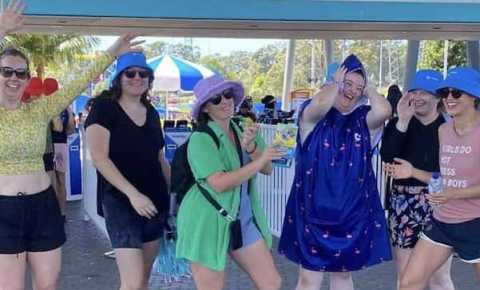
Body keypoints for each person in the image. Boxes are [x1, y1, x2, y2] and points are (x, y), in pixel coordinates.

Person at [0, 2, 142, 289]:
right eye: (6, 71)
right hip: (4, 211)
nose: (14, 78)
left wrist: (113, 51)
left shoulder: (39, 110)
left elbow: (78, 82)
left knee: (48, 285)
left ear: (28, 78)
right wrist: (2, 28)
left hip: (43, 205)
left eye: (21, 73)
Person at [278, 54, 393, 290]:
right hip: (312, 214)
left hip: (351, 215)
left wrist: (368, 88)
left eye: (357, 88)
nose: (352, 91)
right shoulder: (311, 117)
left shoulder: (363, 120)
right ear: (331, 83)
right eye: (347, 84)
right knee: (309, 279)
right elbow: (320, 104)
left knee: (342, 277)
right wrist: (334, 84)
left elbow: (384, 112)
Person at [175, 75, 283, 290]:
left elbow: (267, 169)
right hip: (205, 220)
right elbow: (219, 183)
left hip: (242, 218)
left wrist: (252, 148)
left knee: (271, 283)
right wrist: (260, 159)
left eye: (227, 95)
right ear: (205, 108)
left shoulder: (244, 127)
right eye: (215, 99)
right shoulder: (200, 138)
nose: (224, 101)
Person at [386, 67, 480, 290]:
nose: (448, 98)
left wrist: (452, 194)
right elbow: (443, 178)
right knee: (408, 283)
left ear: (474, 97)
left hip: (475, 221)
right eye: (445, 92)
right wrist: (412, 172)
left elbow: (451, 189)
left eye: (456, 93)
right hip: (442, 220)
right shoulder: (445, 131)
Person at [85, 51, 171, 290]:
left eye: (143, 74)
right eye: (130, 73)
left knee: (143, 279)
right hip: (120, 202)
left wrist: (175, 193)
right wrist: (133, 195)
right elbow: (100, 159)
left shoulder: (152, 113)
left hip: (155, 203)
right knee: (131, 283)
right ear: (119, 78)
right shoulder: (104, 108)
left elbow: (160, 158)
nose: (137, 78)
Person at [380, 70, 454, 290]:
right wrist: (402, 120)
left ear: (438, 97)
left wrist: (413, 172)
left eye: (426, 92)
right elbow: (387, 157)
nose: (418, 97)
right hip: (402, 204)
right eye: (414, 91)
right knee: (406, 276)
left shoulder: (448, 128)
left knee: (438, 276)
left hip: (437, 203)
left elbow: (454, 177)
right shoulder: (399, 124)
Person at [51, 107, 75, 220]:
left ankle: (54, 214)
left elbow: (58, 127)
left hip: (48, 147)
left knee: (53, 181)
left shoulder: (50, 105)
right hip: (61, 145)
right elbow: (71, 130)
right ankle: (62, 213)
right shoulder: (66, 108)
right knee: (61, 181)